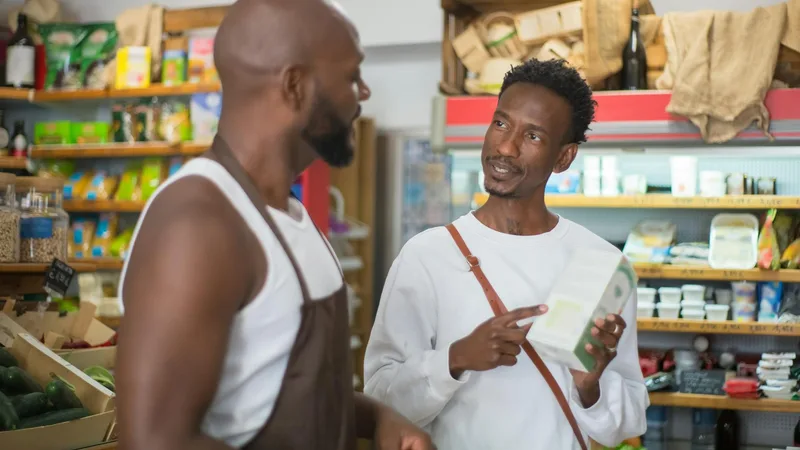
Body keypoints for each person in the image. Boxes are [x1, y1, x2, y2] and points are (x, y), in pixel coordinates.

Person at [115, 1, 433, 449]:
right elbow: (155, 443)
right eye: (351, 76)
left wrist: (378, 418)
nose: (362, 93)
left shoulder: (293, 217)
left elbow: (286, 391)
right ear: (295, 85)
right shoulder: (198, 223)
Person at [363, 59, 648, 450]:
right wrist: (455, 358)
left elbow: (627, 422)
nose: (506, 146)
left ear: (564, 157)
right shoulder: (427, 256)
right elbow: (380, 400)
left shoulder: (602, 264)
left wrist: (590, 386)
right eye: (500, 123)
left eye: (533, 136)